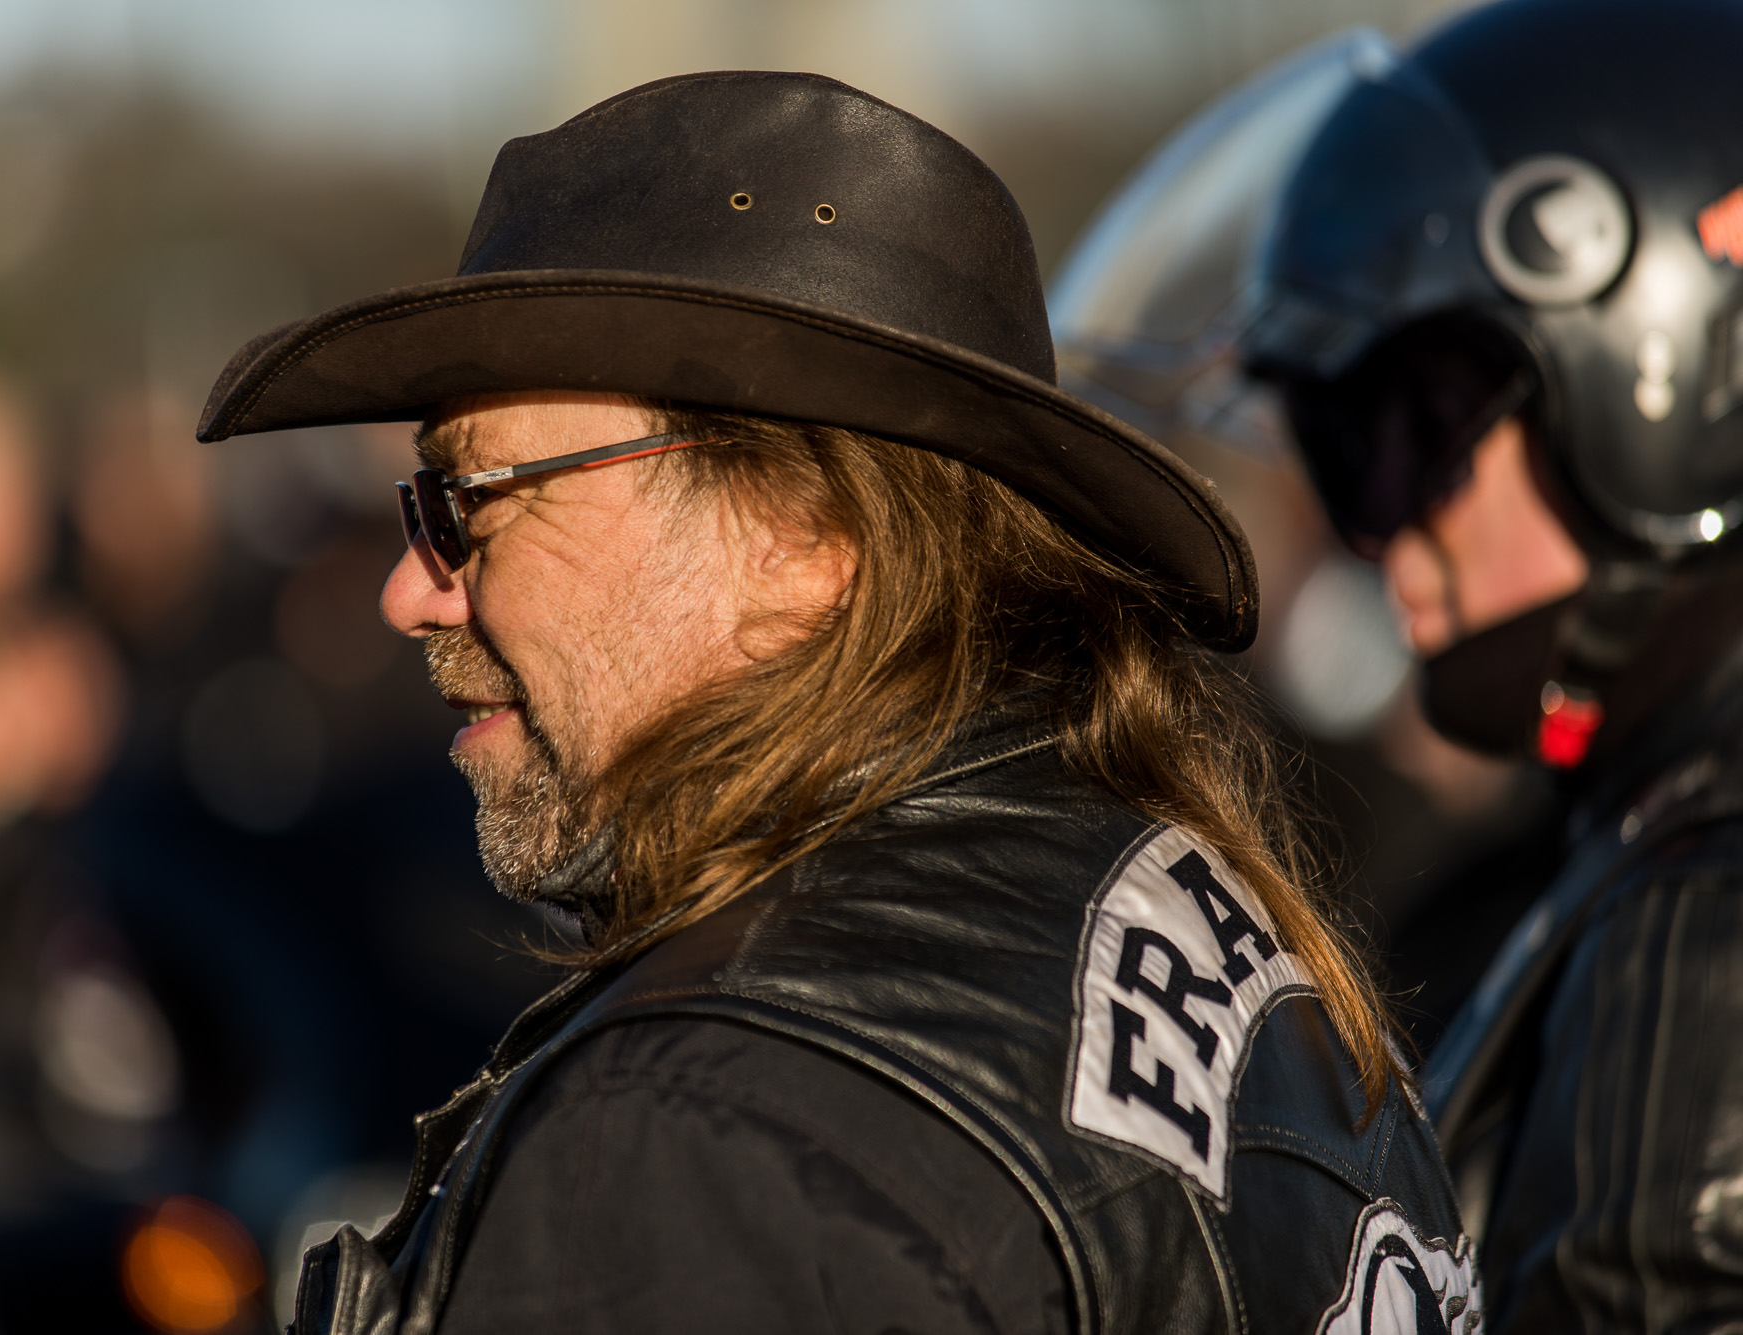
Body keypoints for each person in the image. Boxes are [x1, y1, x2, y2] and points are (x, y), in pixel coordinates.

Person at [198, 72, 1474, 1334]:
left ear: (800, 527)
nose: (409, 595)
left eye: (469, 502)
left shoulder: (710, 1124)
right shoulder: (1231, 942)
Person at [1057, 1, 1743, 1328]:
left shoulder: (1705, 914)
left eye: (1414, 430)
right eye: (1334, 447)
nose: (1378, 529)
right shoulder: (1639, 826)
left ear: (1672, 363)